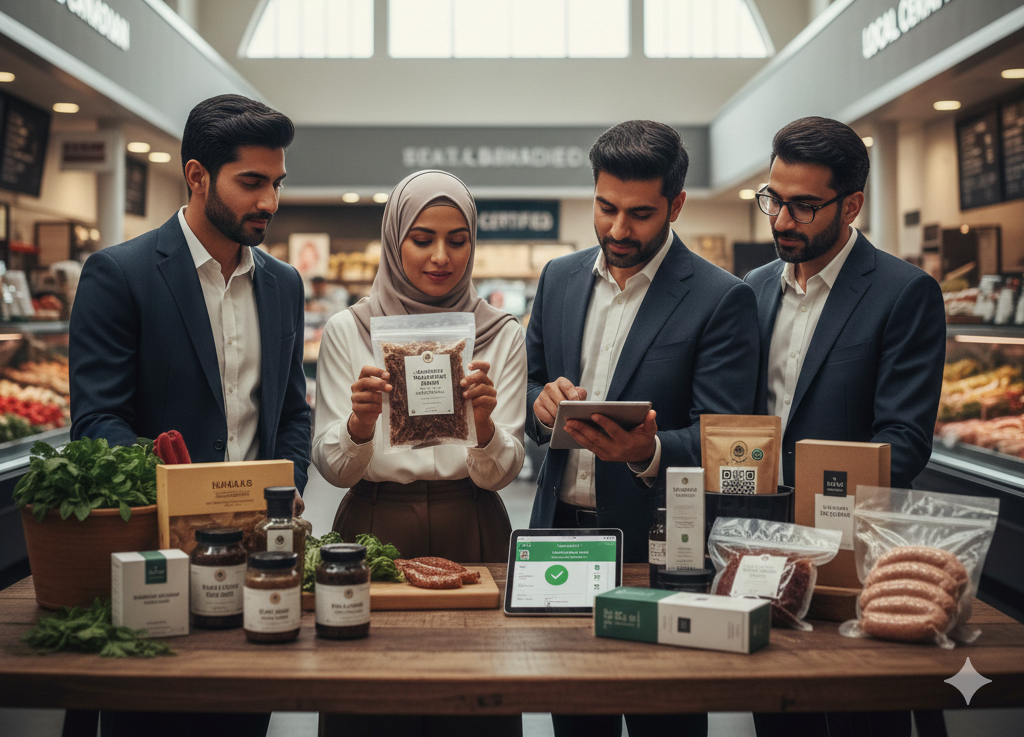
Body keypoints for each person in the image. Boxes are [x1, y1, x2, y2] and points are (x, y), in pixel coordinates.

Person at [70, 94, 311, 737]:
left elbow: (291, 412)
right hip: (155, 562)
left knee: (244, 720)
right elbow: (96, 421)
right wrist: (179, 494)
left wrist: (284, 499)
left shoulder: (284, 285)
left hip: (260, 563)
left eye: (277, 183)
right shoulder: (119, 275)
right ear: (197, 176)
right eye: (252, 183)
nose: (270, 202)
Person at [526, 120, 760, 737]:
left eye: (640, 214)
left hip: (659, 547)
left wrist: (649, 450)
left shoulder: (720, 298)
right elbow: (527, 386)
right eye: (605, 208)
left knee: (667, 719)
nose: (618, 229)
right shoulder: (559, 278)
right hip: (561, 540)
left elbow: (726, 438)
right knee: (575, 718)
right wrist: (540, 403)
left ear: (676, 205)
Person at [745, 116, 945, 737]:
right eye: (773, 200)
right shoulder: (749, 291)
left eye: (803, 207)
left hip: (853, 555)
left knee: (864, 719)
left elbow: (904, 443)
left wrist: (808, 491)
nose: (780, 220)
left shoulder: (903, 292)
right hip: (758, 549)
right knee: (776, 716)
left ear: (851, 204)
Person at [313, 169, 526, 562]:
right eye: (422, 239)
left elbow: (502, 474)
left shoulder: (501, 333)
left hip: (473, 521)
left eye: (458, 241)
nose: (441, 257)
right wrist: (358, 427)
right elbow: (334, 471)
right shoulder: (349, 329)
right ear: (394, 241)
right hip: (375, 522)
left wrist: (484, 427)